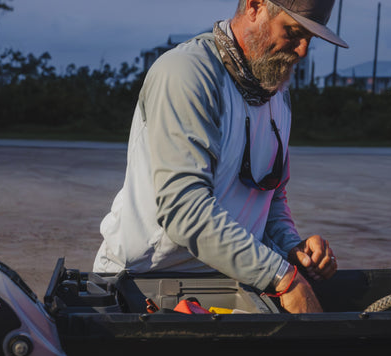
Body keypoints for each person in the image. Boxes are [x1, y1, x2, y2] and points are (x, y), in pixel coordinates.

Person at [94, 0, 349, 313]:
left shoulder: (277, 93)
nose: (302, 51)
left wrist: (292, 248)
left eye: (311, 40)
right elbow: (184, 210)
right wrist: (283, 277)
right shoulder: (187, 74)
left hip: (231, 279)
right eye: (294, 33)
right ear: (255, 6)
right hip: (144, 283)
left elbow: (270, 196)